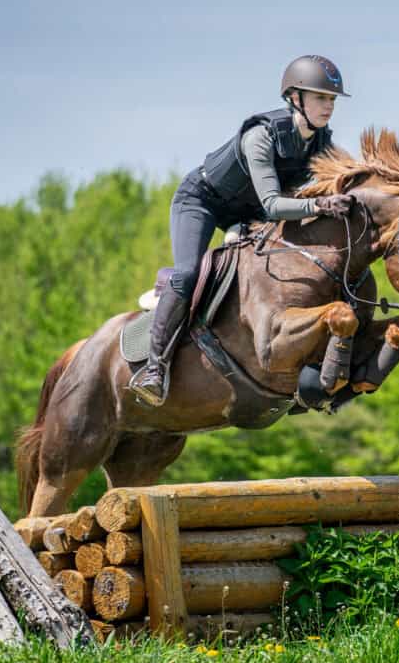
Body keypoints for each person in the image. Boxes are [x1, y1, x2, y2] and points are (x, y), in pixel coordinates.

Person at [128, 55, 357, 406]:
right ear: (295, 98)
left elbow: (348, 179)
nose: (328, 106)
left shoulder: (321, 143)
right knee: (188, 272)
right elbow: (272, 205)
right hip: (203, 201)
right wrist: (319, 205)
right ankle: (155, 368)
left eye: (331, 100)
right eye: (320, 98)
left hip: (246, 212)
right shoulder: (260, 136)